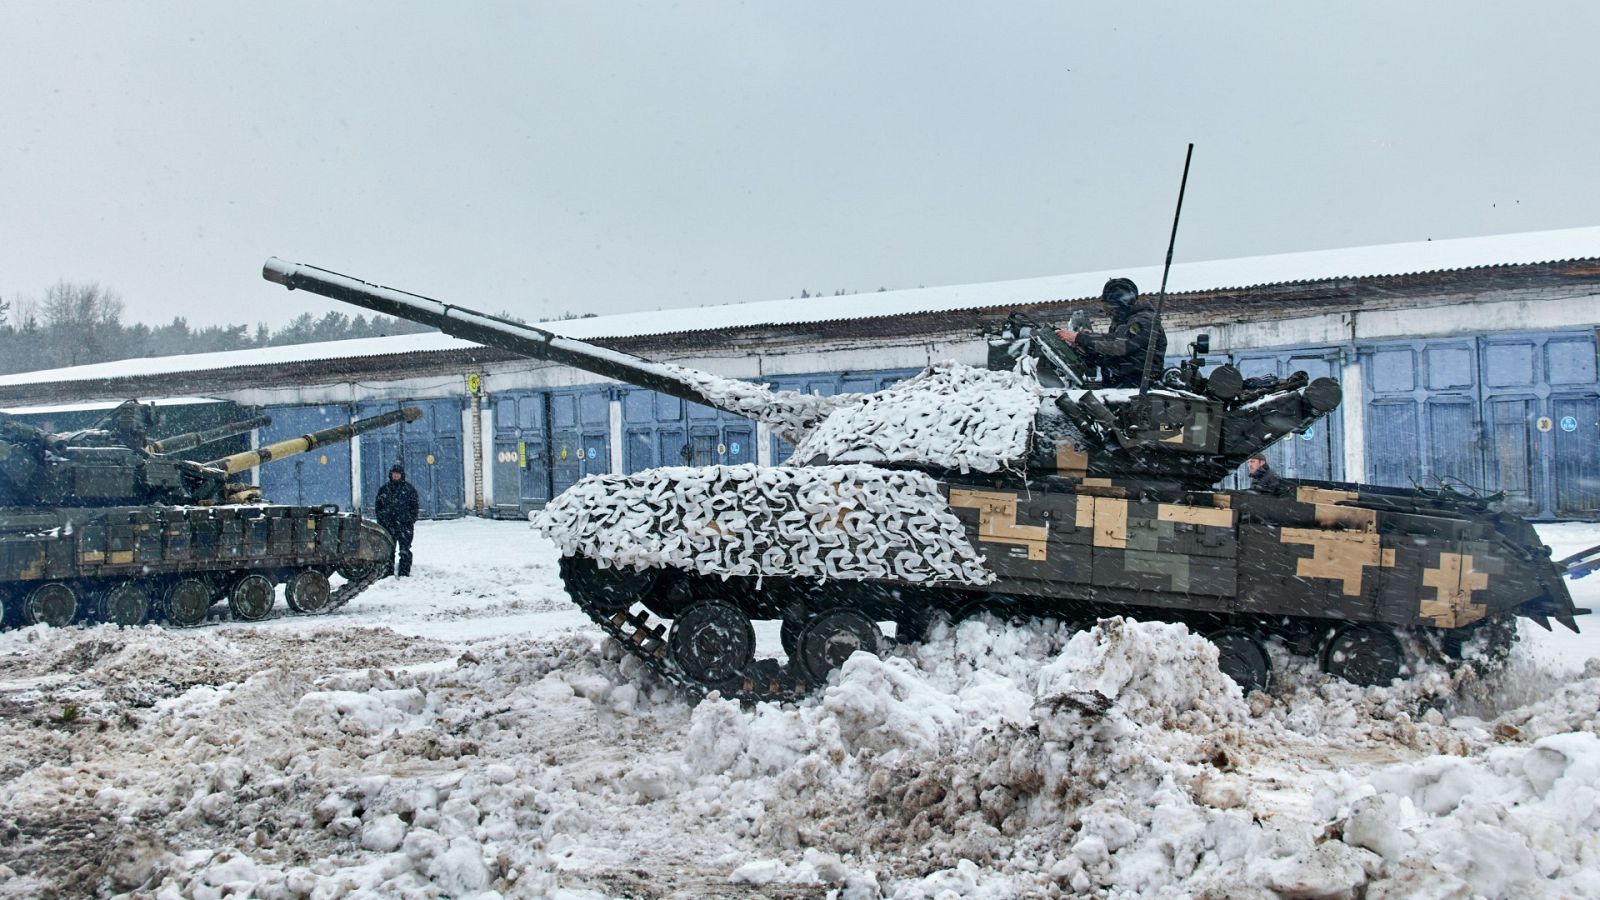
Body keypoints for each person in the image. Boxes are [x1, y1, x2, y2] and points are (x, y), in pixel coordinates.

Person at [1055, 277, 1168, 388]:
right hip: (1121, 383)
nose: (1107, 312)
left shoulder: (1144, 321)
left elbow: (1118, 344)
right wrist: (1085, 344)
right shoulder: (1123, 322)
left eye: (1108, 306)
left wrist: (1080, 338)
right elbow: (1108, 353)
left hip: (1139, 387)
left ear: (1122, 303)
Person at [374, 461, 420, 576]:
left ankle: (404, 572)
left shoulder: (409, 489)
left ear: (401, 475)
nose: (395, 475)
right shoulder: (384, 489)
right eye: (394, 473)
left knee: (405, 550)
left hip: (405, 525)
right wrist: (381, 521)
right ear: (390, 474)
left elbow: (414, 506)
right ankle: (387, 572)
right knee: (388, 550)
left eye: (398, 473)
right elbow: (378, 507)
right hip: (388, 525)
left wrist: (410, 519)